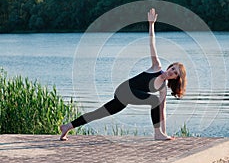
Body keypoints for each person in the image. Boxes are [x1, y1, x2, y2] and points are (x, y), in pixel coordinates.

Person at [60, 8, 187, 141]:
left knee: (98, 114)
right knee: (154, 100)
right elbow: (152, 44)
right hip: (124, 90)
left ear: (176, 78)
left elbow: (162, 111)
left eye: (175, 73)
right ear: (170, 66)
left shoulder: (163, 88)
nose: (171, 71)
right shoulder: (157, 67)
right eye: (173, 68)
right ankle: (157, 134)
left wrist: (164, 133)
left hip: (127, 98)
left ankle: (67, 127)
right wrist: (151, 24)